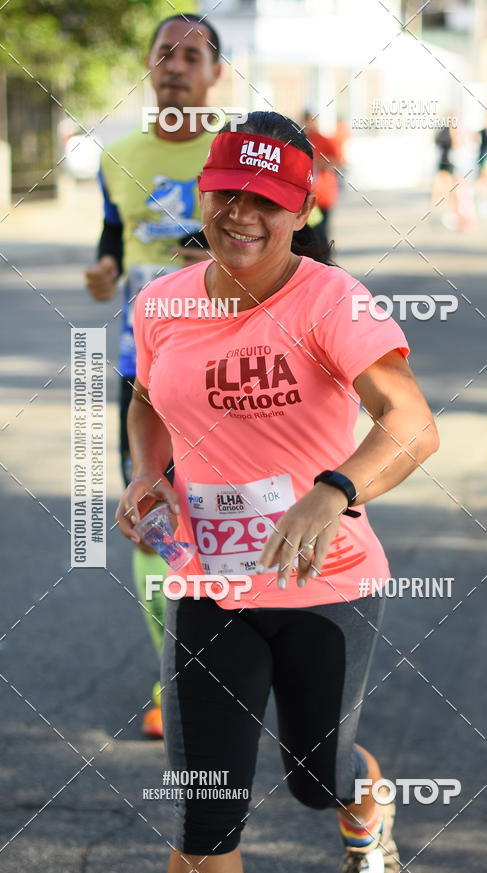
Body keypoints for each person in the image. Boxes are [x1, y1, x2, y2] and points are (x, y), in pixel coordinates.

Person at [115, 110, 439, 873]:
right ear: (204, 191)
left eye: (265, 200)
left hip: (325, 584)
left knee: (315, 776)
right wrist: (148, 473)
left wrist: (332, 492)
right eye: (227, 193)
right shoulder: (162, 302)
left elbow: (413, 424)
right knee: (206, 810)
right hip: (206, 583)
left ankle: (366, 809)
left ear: (302, 211)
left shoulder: (333, 302)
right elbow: (148, 400)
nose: (241, 215)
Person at [84, 13, 223, 737]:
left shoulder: (238, 148)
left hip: (234, 364)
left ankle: (252, 658)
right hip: (144, 363)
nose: (174, 64)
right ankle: (177, 676)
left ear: (214, 74)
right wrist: (108, 269)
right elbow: (116, 229)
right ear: (148, 65)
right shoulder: (118, 154)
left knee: (235, 508)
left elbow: (313, 244)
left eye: (191, 54)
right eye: (163, 52)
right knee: (152, 513)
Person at [301, 109, 341, 243]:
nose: (308, 124)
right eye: (306, 121)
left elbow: (337, 162)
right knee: (306, 233)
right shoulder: (301, 140)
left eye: (311, 120)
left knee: (322, 231)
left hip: (323, 195)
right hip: (306, 195)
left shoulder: (324, 139)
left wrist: (318, 162)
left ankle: (324, 257)